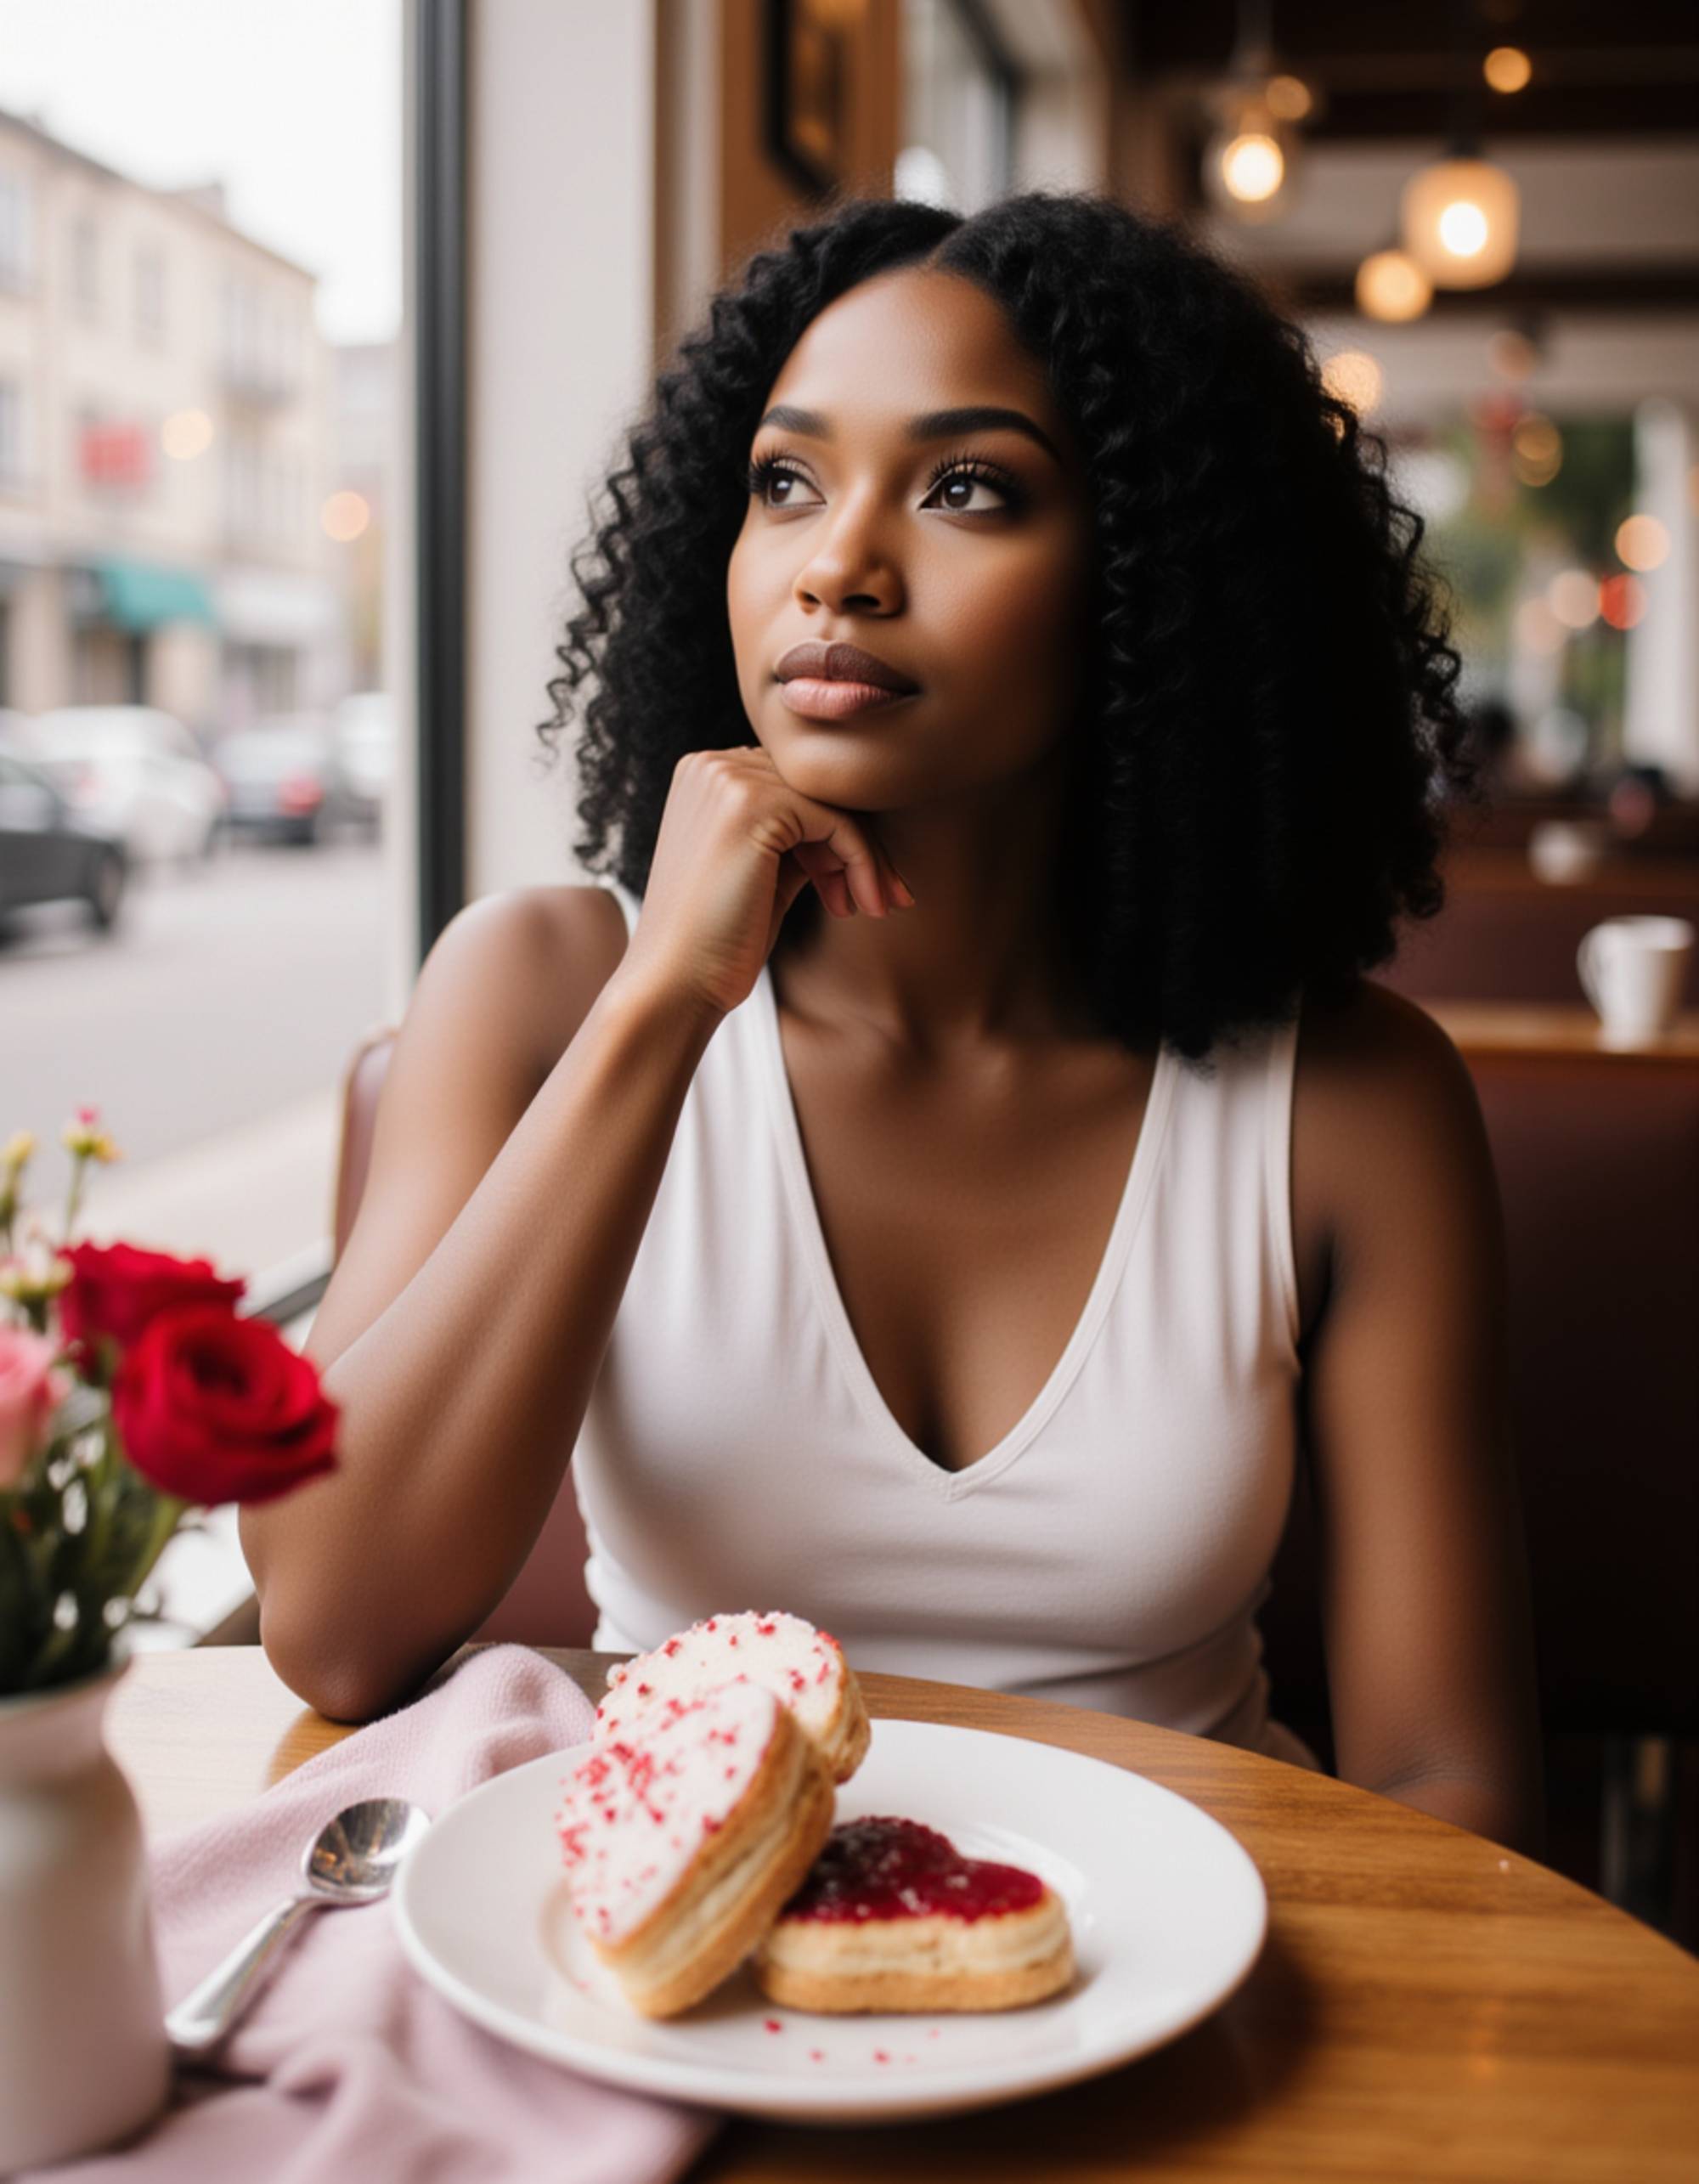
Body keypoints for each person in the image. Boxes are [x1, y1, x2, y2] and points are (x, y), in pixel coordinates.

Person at [242, 191, 1544, 1858]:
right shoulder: (542, 990)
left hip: (1187, 1972)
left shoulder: (1349, 1098)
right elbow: (336, 1628)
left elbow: (1451, 1778)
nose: (837, 565)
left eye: (965, 488)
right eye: (785, 480)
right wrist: (662, 1009)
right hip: (685, 1975)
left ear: (1149, 581)